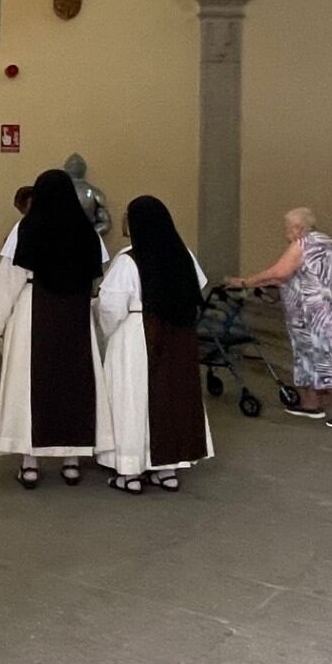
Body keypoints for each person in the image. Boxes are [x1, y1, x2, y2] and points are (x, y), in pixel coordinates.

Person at [0, 169, 111, 487]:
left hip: (32, 309)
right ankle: (71, 462)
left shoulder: (26, 227)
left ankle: (30, 463)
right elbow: (97, 273)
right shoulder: (86, 232)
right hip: (74, 314)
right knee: (74, 382)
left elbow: (10, 274)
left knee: (29, 386)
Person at [96, 196, 211, 493]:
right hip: (178, 334)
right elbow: (197, 286)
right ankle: (167, 469)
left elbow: (110, 306)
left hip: (136, 333)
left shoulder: (128, 260)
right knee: (172, 397)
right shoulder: (182, 254)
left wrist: (107, 334)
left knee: (132, 400)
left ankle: (130, 472)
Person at [228, 207, 332, 428]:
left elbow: (279, 272)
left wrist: (245, 282)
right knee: (309, 357)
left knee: (326, 359)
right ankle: (310, 404)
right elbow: (295, 275)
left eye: (286, 228)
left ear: (297, 228)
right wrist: (261, 284)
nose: (285, 233)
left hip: (317, 315)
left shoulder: (304, 244)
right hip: (317, 314)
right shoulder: (323, 242)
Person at [65, 153, 111, 236]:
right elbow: (105, 222)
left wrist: (89, 235)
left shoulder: (57, 192)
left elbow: (105, 223)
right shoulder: (95, 192)